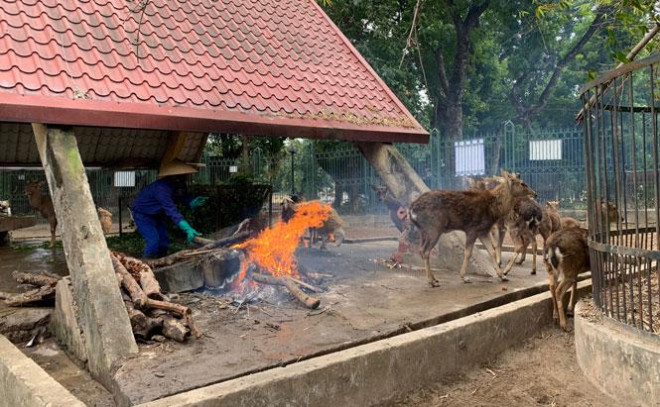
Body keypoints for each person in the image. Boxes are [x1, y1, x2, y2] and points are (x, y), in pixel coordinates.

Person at [130, 160, 208, 259]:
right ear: (175, 176)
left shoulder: (179, 184)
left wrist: (191, 201)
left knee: (164, 243)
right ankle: (145, 266)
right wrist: (187, 228)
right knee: (153, 241)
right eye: (184, 175)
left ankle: (161, 264)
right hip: (143, 214)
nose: (187, 177)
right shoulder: (161, 189)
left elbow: (181, 196)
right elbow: (172, 211)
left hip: (158, 213)